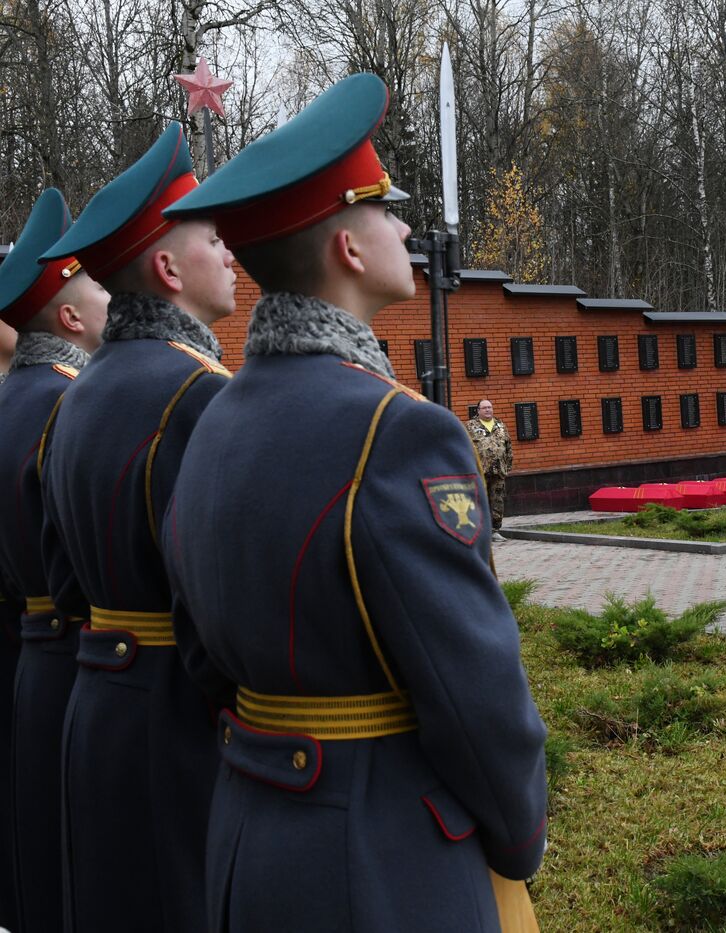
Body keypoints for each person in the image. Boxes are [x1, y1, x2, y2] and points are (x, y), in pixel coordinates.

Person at [160, 74, 548, 931]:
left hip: (247, 837)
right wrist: (520, 839)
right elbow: (474, 690)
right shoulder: (399, 430)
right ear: (347, 247)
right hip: (380, 858)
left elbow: (199, 653)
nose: (406, 231)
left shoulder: (211, 415)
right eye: (385, 211)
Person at [37, 124, 235, 933]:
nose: (230, 254)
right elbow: (219, 601)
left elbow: (63, 581)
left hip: (96, 702)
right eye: (213, 238)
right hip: (180, 718)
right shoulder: (201, 393)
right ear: (166, 268)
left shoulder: (72, 395)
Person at [0, 188, 107, 933]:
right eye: (95, 286)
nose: (110, 295)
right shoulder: (70, 405)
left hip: (29, 656)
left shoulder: (14, 400)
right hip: (78, 657)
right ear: (68, 317)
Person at [467, 399, 513, 540]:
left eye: (490, 407)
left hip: (498, 471)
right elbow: (465, 448)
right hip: (479, 471)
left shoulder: (500, 426)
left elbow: (508, 447)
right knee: (479, 500)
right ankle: (480, 530)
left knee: (497, 500)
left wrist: (507, 466)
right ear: (478, 410)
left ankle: (494, 530)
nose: (488, 410)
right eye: (484, 408)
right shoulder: (470, 427)